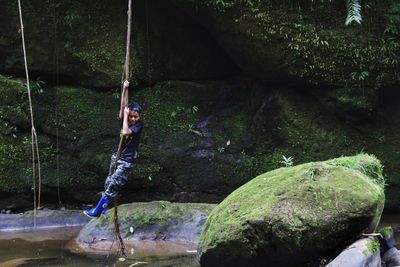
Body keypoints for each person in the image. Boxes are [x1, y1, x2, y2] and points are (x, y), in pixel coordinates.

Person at [83, 80, 144, 218]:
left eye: (136, 117)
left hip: (127, 161)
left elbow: (126, 131)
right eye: (131, 116)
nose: (133, 119)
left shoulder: (138, 125)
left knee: (113, 185)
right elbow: (123, 106)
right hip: (116, 156)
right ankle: (104, 208)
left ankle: (97, 211)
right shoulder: (125, 118)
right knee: (108, 181)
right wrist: (124, 89)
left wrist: (126, 117)